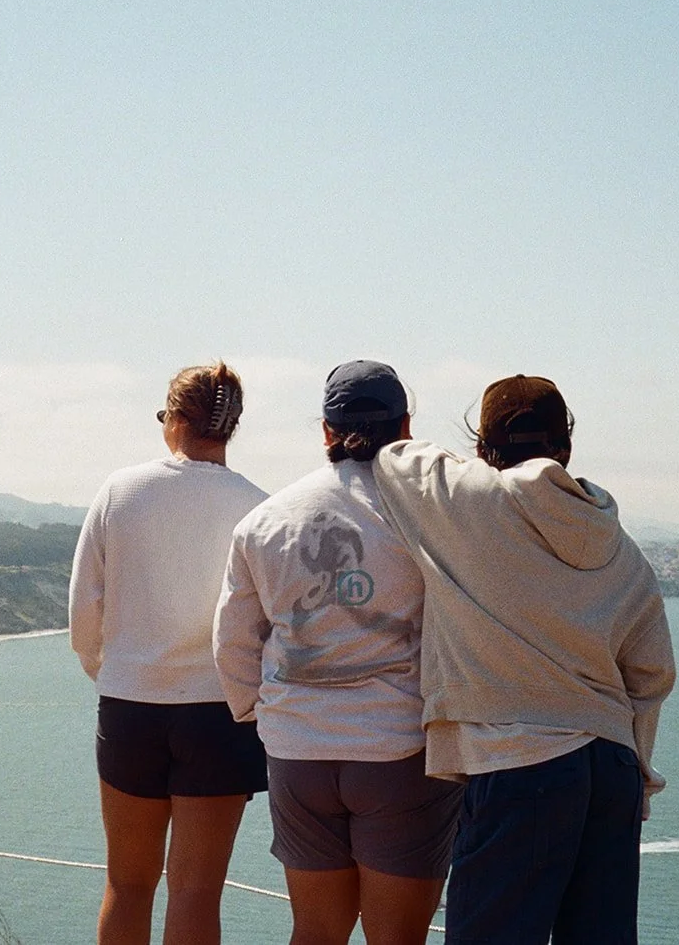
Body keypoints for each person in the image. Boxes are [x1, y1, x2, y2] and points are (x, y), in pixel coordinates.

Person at [371, 374, 677, 945]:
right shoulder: (622, 549)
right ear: (566, 447)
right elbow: (652, 673)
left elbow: (393, 457)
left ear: (484, 449)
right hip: (611, 768)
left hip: (518, 760)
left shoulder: (468, 502)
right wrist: (639, 777)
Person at [214, 360, 464, 945]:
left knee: (315, 932)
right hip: (401, 750)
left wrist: (261, 714)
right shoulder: (434, 516)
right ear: (406, 426)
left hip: (297, 750)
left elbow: (232, 641)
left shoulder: (263, 521)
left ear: (326, 431)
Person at [68, 361, 270, 945]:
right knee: (197, 893)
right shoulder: (258, 507)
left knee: (127, 885)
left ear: (176, 420)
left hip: (130, 705)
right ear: (229, 426)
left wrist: (111, 671)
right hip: (220, 713)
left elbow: (85, 612)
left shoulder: (122, 490)